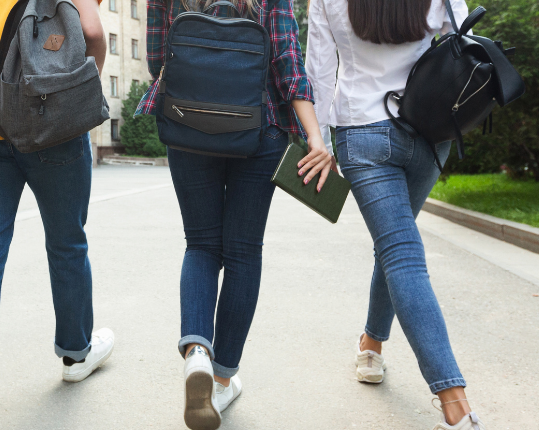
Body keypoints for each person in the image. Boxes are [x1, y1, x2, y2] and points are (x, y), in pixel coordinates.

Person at [139, 0, 329, 428]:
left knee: (201, 244)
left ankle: (197, 353)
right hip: (258, 128)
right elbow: (286, 62)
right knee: (243, 253)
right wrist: (315, 136)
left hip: (187, 125)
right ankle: (223, 379)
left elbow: (157, 60)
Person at [0, 0, 111, 429]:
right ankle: (75, 352)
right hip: (55, 125)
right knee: (67, 242)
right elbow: (92, 33)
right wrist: (77, 93)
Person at [306, 0, 485, 428]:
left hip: (361, 131)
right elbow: (464, 32)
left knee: (398, 252)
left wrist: (320, 144)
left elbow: (318, 68)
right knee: (399, 250)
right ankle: (439, 391)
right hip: (427, 127)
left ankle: (383, 352)